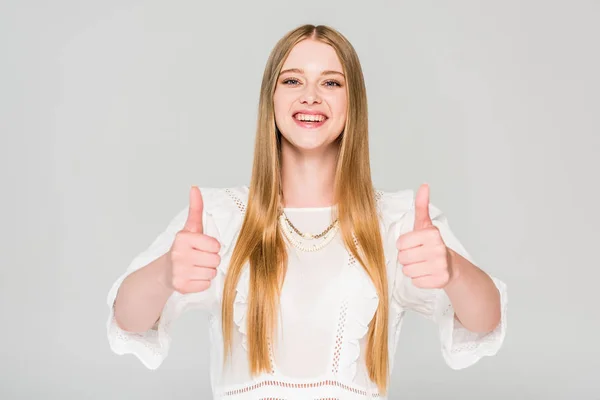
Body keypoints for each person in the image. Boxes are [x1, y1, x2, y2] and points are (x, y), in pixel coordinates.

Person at [106, 24, 507, 399]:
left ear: (354, 102)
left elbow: (484, 321)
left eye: (331, 82)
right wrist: (165, 274)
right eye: (293, 80)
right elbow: (129, 322)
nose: (310, 96)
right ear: (272, 99)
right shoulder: (219, 217)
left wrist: (451, 270)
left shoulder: (397, 222)